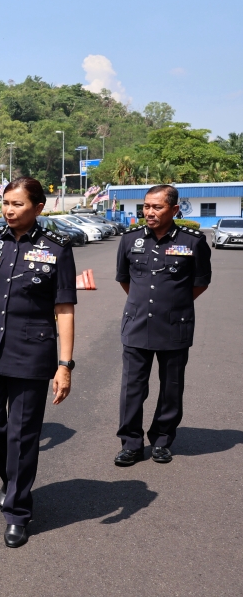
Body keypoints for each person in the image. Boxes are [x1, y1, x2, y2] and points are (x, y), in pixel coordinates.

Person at [0, 177, 76, 548]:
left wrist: (64, 365)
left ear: (38, 207)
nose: (9, 210)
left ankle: (18, 512)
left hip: (30, 355)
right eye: (6, 203)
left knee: (23, 435)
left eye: (18, 204)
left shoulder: (57, 248)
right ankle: (12, 481)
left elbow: (64, 309)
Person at [113, 184, 211, 466]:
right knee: (132, 388)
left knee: (171, 387)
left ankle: (162, 440)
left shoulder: (193, 242)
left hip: (174, 326)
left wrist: (172, 305)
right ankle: (131, 443)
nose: (150, 212)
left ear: (174, 209)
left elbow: (200, 282)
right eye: (146, 206)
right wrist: (144, 305)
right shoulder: (130, 239)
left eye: (157, 207)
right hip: (137, 324)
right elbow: (125, 280)